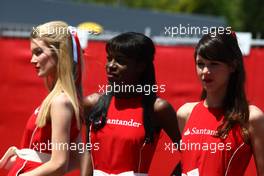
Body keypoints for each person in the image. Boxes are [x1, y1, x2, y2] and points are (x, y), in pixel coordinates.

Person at [82, 32, 181, 176]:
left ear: (140, 66)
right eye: (109, 59)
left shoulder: (158, 108)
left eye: (120, 60)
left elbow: (189, 152)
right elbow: (88, 150)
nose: (111, 65)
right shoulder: (92, 103)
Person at [0, 21, 83, 175]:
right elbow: (79, 158)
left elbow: (59, 163)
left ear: (60, 52)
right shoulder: (62, 99)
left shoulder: (61, 101)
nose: (32, 60)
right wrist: (24, 160)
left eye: (38, 52)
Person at [177, 29, 264, 175]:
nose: (205, 71)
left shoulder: (250, 117)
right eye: (200, 64)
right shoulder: (185, 113)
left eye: (214, 64)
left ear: (232, 66)